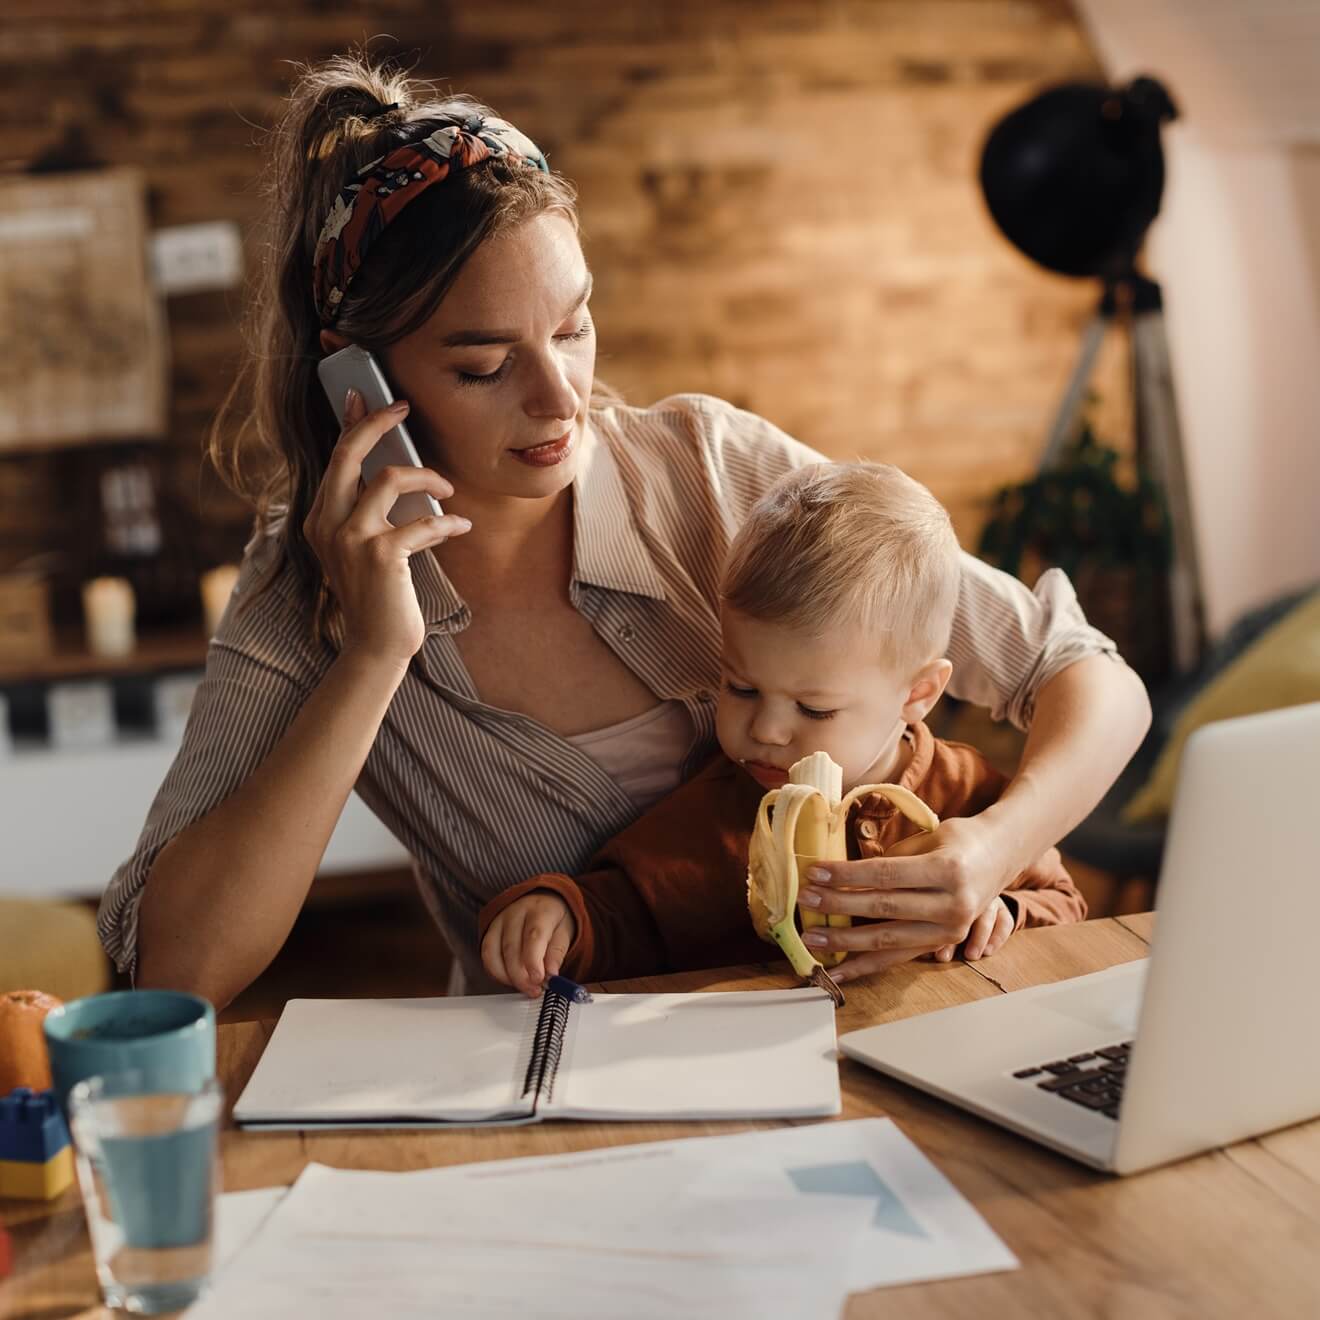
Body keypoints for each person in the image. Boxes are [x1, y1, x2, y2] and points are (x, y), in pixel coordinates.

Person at [97, 54, 1149, 1011]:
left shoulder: (710, 468)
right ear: (356, 377)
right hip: (555, 1097)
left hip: (850, 1045)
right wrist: (376, 653)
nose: (560, 400)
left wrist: (990, 849)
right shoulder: (303, 594)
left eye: (572, 328)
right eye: (483, 365)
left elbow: (1085, 674)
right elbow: (176, 970)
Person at [479, 462, 1087, 994]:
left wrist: (1006, 910)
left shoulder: (972, 798)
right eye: (741, 688)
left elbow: (1065, 904)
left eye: (815, 709)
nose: (766, 729)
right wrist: (561, 913)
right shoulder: (717, 813)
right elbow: (626, 912)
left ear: (918, 693)